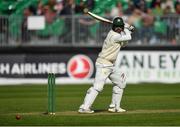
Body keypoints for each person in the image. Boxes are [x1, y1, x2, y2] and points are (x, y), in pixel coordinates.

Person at [78, 17, 134, 113]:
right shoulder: (113, 36)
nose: (118, 29)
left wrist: (129, 31)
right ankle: (84, 107)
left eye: (120, 27)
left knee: (121, 81)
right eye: (117, 27)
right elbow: (128, 37)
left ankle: (114, 107)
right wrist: (127, 29)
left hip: (111, 65)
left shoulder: (118, 35)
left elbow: (124, 43)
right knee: (98, 87)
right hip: (103, 64)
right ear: (113, 27)